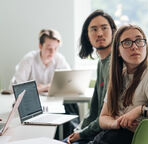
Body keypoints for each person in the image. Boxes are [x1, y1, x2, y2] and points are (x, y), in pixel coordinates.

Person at [11, 29, 79, 138]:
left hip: (52, 101)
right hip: (32, 103)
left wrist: (41, 87)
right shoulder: (29, 59)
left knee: (67, 117)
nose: (52, 52)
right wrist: (48, 87)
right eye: (49, 48)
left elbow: (68, 82)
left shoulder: (59, 59)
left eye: (56, 48)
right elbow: (17, 88)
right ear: (40, 46)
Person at [65, 10, 117, 144]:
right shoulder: (101, 62)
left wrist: (82, 133)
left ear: (113, 31)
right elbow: (94, 108)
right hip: (97, 130)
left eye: (104, 28)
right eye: (94, 29)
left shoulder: (115, 64)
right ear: (87, 36)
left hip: (108, 134)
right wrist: (79, 129)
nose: (99, 33)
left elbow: (108, 114)